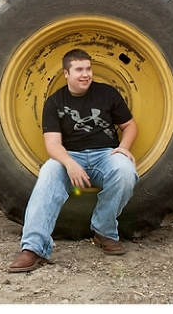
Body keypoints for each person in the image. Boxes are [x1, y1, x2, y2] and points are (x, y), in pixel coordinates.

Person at [8, 48, 139, 273]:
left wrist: (123, 148)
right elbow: (52, 145)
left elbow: (130, 126)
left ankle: (104, 231)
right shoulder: (55, 102)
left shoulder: (107, 93)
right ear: (66, 74)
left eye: (88, 69)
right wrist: (70, 164)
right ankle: (33, 248)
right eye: (79, 70)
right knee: (48, 172)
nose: (85, 74)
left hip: (105, 155)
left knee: (126, 171)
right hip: (69, 156)